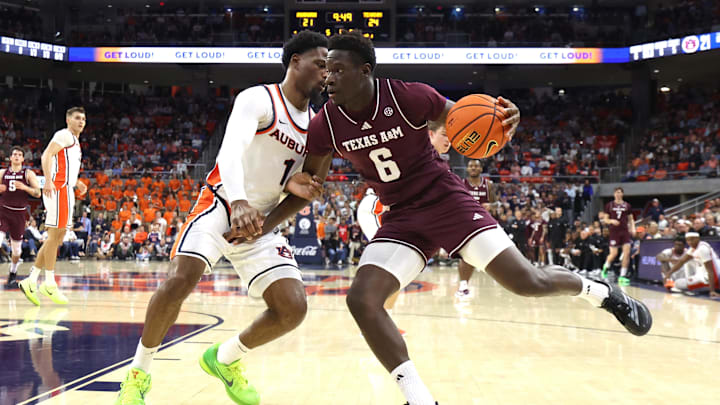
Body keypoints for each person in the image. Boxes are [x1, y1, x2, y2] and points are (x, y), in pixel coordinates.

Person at [287, 32, 652, 405]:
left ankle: (600, 292)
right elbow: (310, 181)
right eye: (326, 71)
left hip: (446, 201)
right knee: (362, 299)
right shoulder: (324, 124)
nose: (327, 78)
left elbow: (463, 117)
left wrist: (504, 120)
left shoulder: (408, 95)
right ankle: (418, 398)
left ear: (365, 71)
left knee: (527, 281)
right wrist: (279, 206)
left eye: (337, 70)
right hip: (402, 216)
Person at [114, 31, 328, 405]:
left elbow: (306, 191)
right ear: (295, 61)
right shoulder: (259, 98)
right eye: (320, 63)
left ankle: (225, 359)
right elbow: (229, 154)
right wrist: (242, 202)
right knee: (181, 278)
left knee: (293, 308)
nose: (327, 73)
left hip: (259, 220)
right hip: (223, 202)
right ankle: (138, 374)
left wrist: (268, 218)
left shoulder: (317, 126)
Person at [18, 107, 87, 305]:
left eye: (83, 118)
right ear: (68, 119)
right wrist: (47, 180)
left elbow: (64, 167)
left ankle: (31, 281)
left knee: (56, 238)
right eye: (77, 118)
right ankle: (49, 283)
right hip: (58, 189)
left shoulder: (74, 141)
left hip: (66, 188)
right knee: (55, 236)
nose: (81, 121)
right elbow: (46, 155)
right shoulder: (64, 135)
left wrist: (76, 181)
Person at [0, 146, 41, 288]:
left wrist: (25, 188)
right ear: (10, 158)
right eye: (14, 154)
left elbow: (37, 193)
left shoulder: (28, 174)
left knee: (17, 250)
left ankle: (13, 272)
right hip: (3, 211)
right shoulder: (2, 172)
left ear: (23, 158)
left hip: (19, 214)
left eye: (19, 154)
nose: (17, 156)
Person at [457, 159, 497, 297]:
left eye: (476, 166)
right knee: (466, 255)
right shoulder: (461, 184)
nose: (473, 168)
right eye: (471, 166)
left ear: (481, 169)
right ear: (467, 169)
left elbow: (495, 203)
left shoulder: (488, 185)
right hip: (466, 223)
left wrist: (491, 206)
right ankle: (463, 286)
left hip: (484, 223)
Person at [666, 232, 720, 297]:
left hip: (712, 278)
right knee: (688, 261)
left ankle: (706, 288)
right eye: (688, 240)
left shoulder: (703, 249)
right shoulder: (693, 248)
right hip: (703, 275)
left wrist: (712, 291)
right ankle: (691, 282)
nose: (690, 242)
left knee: (678, 283)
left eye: (692, 239)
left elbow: (711, 271)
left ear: (698, 239)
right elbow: (681, 261)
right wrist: (669, 273)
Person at [600, 187, 635, 285]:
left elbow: (631, 219)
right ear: (614, 194)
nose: (618, 194)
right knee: (614, 253)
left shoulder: (627, 205)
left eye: (620, 192)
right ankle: (605, 267)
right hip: (614, 231)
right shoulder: (609, 205)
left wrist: (633, 228)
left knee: (626, 253)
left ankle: (622, 276)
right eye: (616, 192)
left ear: (622, 194)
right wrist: (611, 221)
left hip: (624, 231)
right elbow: (605, 219)